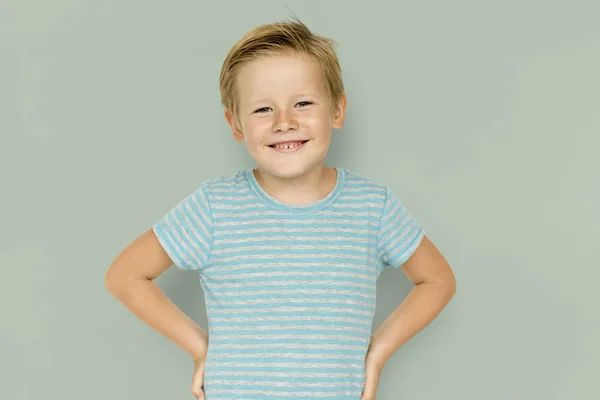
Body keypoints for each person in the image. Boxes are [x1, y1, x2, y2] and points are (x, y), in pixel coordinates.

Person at [105, 17, 456, 400]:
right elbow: (125, 275)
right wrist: (202, 348)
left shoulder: (373, 207)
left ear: (337, 111)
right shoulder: (213, 207)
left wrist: (378, 352)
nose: (284, 122)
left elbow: (437, 280)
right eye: (262, 110)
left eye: (303, 103)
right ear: (235, 125)